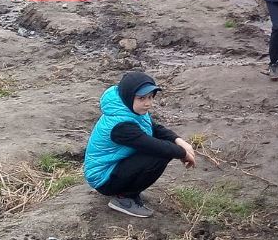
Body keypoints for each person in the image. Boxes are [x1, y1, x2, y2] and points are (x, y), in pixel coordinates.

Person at [84, 71, 196, 218]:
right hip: (104, 179)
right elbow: (154, 146)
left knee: (165, 148)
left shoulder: (128, 109)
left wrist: (179, 141)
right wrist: (183, 154)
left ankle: (127, 191)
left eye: (150, 97)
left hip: (113, 167)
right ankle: (124, 198)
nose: (148, 103)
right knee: (160, 154)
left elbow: (154, 128)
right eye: (142, 98)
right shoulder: (121, 126)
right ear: (129, 96)